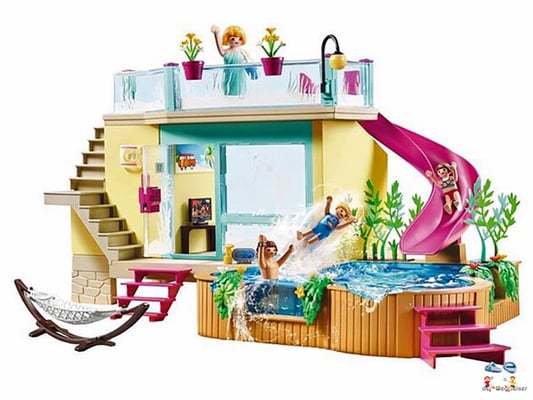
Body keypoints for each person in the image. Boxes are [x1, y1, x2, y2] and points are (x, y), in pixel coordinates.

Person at [210, 25, 253, 96]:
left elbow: (250, 62)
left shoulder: (243, 52)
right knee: (228, 90)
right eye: (233, 39)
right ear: (227, 39)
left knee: (240, 90)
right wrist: (216, 33)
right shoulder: (226, 52)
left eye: (239, 39)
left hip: (240, 76)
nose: (236, 40)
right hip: (229, 76)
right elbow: (220, 49)